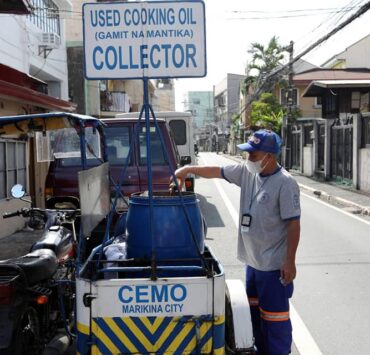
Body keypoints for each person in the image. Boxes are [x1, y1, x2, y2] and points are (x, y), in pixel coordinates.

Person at [172, 129, 301, 355]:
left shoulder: (285, 183)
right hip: (252, 264)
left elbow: (293, 224)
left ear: (269, 156)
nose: (248, 158)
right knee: (255, 317)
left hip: (273, 269)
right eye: (247, 154)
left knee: (275, 321)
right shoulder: (247, 173)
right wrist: (187, 170)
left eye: (253, 154)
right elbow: (216, 171)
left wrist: (290, 261)